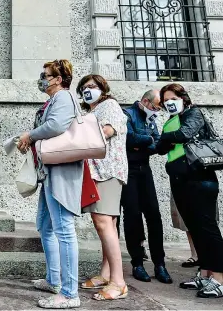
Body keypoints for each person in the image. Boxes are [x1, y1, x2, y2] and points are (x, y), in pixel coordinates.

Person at [16, 59, 81, 309]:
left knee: (64, 229)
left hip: (61, 171)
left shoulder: (63, 98)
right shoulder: (55, 100)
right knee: (45, 226)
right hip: (51, 171)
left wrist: (30, 135)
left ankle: (69, 293)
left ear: (57, 79)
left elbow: (56, 125)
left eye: (45, 75)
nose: (41, 78)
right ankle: (54, 280)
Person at [156, 83, 223, 299]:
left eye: (172, 98)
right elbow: (161, 148)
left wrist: (164, 138)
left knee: (208, 229)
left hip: (200, 181)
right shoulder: (171, 121)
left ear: (183, 98)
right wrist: (162, 140)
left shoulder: (194, 113)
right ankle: (205, 273)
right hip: (181, 181)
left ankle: (220, 278)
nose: (169, 103)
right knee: (195, 229)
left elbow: (184, 135)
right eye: (165, 100)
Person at [76, 75, 129, 300]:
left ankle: (119, 282)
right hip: (96, 171)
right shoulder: (91, 111)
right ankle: (106, 273)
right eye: (84, 87)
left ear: (102, 88)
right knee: (107, 224)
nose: (88, 90)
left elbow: (107, 131)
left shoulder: (109, 105)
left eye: (93, 86)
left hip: (106, 170)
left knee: (103, 222)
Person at [122, 90, 172, 283]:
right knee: (132, 215)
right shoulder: (127, 114)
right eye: (156, 106)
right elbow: (129, 139)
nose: (158, 110)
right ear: (145, 101)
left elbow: (159, 146)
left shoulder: (151, 119)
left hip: (145, 169)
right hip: (129, 170)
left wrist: (146, 142)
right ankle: (137, 263)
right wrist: (148, 140)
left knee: (154, 215)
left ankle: (160, 263)